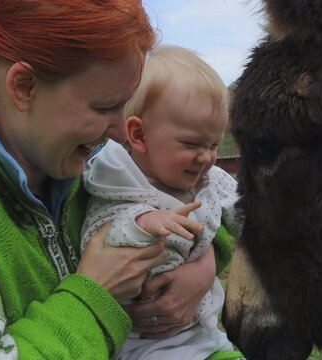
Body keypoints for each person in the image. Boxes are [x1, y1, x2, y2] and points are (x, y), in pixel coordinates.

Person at [0, 1, 235, 358]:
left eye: (124, 105)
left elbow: (182, 198)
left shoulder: (71, 155)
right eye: (103, 108)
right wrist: (93, 297)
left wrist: (202, 264)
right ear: (23, 86)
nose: (121, 131)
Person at [81, 45, 242, 360]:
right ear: (139, 135)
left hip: (206, 334)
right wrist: (143, 224)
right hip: (147, 346)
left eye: (214, 143)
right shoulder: (116, 184)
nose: (207, 157)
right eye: (192, 143)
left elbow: (244, 211)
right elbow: (99, 234)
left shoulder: (209, 179)